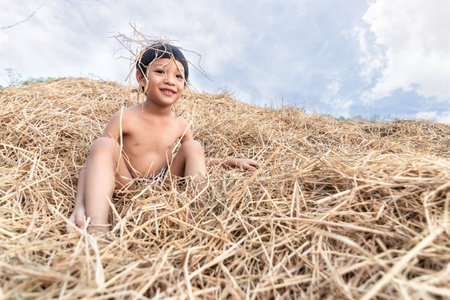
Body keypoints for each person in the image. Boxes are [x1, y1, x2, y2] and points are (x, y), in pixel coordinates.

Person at [66, 43, 260, 236]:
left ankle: (198, 218)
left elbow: (195, 162)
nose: (170, 80)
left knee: (193, 146)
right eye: (160, 71)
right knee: (103, 144)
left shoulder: (181, 124)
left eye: (178, 76)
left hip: (164, 184)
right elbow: (94, 162)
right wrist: (79, 207)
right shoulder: (124, 116)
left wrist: (233, 162)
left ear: (184, 86)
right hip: (128, 184)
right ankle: (97, 229)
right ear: (141, 78)